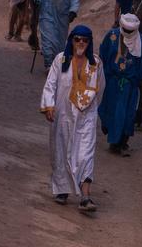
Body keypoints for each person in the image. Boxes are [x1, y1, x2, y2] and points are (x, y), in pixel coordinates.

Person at [40, 25, 105, 213]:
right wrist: (49, 105)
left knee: (85, 154)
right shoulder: (61, 60)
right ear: (72, 41)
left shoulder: (96, 64)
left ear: (89, 42)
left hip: (86, 117)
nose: (81, 43)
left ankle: (85, 197)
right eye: (77, 39)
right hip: (63, 114)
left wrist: (92, 111)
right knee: (61, 151)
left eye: (85, 40)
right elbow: (51, 84)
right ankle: (62, 190)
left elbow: (101, 87)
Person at [98, 14, 142, 156]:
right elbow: (103, 55)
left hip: (130, 85)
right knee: (114, 111)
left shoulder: (141, 41)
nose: (128, 33)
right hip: (113, 83)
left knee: (127, 114)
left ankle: (122, 141)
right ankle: (114, 143)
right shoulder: (112, 36)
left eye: (131, 31)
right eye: (126, 30)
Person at [34, 0, 79, 70]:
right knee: (48, 41)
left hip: (62, 19)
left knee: (59, 45)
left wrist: (73, 12)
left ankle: (56, 65)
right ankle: (48, 64)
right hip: (47, 15)